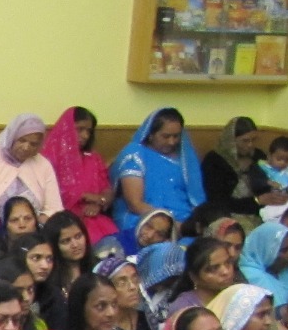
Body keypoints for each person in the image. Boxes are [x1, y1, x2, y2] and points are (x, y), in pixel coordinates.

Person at [110, 108, 205, 253]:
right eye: (166, 136)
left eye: (176, 136)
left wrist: (189, 225)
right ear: (151, 134)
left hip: (184, 223)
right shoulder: (135, 154)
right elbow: (135, 204)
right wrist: (171, 224)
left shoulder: (185, 158)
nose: (172, 141)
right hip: (144, 220)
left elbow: (195, 200)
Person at [0, 113, 64, 232]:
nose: (26, 147)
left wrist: (34, 226)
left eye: (33, 144)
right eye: (22, 140)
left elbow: (55, 208)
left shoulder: (43, 164)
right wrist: (3, 229)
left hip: (31, 230)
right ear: (12, 137)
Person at [42, 106, 118, 246]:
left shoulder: (93, 158)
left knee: (112, 245)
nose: (85, 136)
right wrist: (83, 196)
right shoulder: (48, 158)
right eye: (80, 129)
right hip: (64, 219)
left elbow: (107, 190)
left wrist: (99, 202)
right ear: (67, 128)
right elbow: (50, 195)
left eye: (89, 131)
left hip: (95, 217)